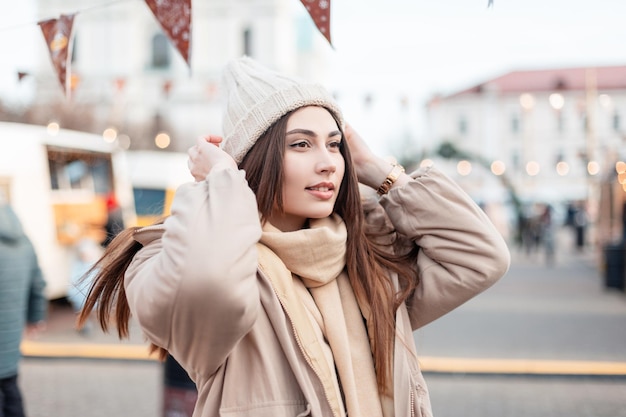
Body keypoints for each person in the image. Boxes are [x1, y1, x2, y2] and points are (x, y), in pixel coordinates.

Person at [79, 56, 510, 417]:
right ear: (255, 160)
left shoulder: (366, 262)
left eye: (334, 144)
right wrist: (225, 182)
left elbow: (482, 257)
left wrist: (377, 169)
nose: (327, 162)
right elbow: (212, 284)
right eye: (301, 145)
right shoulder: (174, 255)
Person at [0, 193, 47, 417]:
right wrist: (35, 317)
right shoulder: (23, 238)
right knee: (10, 392)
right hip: (8, 348)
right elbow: (38, 283)